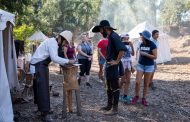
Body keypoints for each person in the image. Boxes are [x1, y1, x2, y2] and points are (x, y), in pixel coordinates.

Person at [31, 30, 76, 121]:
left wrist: (65, 61)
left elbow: (57, 56)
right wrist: (68, 61)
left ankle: (41, 109)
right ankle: (45, 113)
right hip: (39, 65)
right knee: (43, 89)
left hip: (40, 65)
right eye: (65, 42)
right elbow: (54, 58)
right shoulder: (52, 43)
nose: (64, 44)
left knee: (40, 88)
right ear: (61, 39)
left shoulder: (53, 42)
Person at [92, 20, 126, 115]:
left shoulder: (114, 36)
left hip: (113, 66)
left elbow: (122, 49)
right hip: (109, 65)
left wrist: (117, 61)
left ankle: (115, 109)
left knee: (115, 87)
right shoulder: (110, 37)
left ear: (105, 28)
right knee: (109, 87)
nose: (100, 32)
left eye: (101, 30)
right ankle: (109, 105)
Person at [131, 30, 157, 107]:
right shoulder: (141, 43)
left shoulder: (152, 45)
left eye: (141, 35)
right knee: (137, 82)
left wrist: (146, 54)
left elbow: (155, 57)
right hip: (140, 65)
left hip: (149, 66)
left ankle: (144, 98)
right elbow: (137, 52)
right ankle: (136, 96)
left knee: (146, 83)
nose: (140, 37)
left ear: (144, 37)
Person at [119, 34, 134, 103]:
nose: (126, 40)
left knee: (128, 80)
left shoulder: (130, 44)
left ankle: (125, 95)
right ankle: (117, 93)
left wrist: (132, 45)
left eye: (127, 38)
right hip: (122, 62)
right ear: (122, 39)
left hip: (129, 62)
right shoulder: (119, 44)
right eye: (125, 38)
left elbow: (133, 54)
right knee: (122, 79)